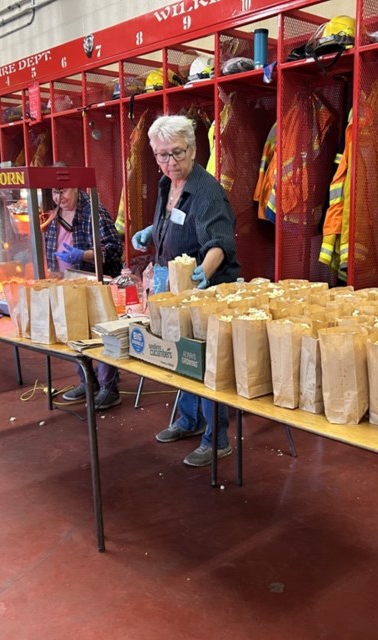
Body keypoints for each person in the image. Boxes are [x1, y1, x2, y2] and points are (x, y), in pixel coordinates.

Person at [132, 114, 241, 468]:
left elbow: (219, 243)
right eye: (161, 155)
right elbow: (170, 219)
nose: (169, 162)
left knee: (206, 362)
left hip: (206, 290)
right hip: (174, 289)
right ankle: (189, 421)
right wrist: (153, 232)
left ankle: (217, 439)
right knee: (181, 356)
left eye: (176, 153)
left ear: (193, 149)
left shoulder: (207, 190)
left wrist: (201, 275)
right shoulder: (167, 183)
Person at [42, 181, 125, 411]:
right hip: (67, 283)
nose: (60, 197)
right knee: (75, 333)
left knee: (102, 334)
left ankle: (109, 388)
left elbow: (113, 248)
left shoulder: (93, 211)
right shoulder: (53, 215)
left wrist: (83, 255)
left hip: (94, 282)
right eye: (55, 192)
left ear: (77, 187)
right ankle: (89, 381)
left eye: (64, 190)